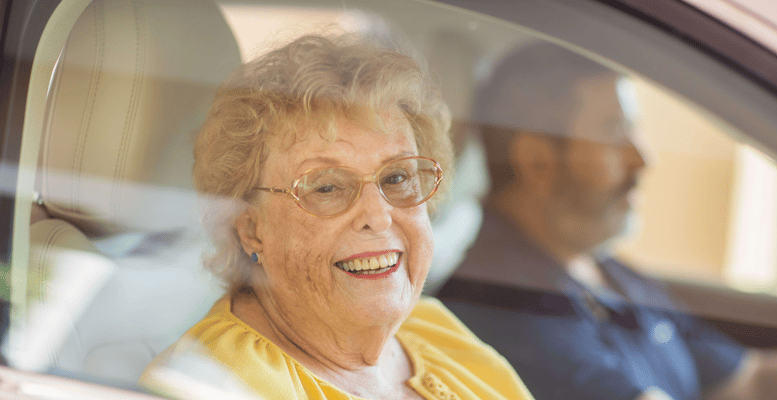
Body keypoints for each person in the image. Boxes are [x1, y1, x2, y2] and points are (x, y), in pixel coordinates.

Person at [139, 34, 534, 400]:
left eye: (397, 177)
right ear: (251, 229)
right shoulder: (212, 385)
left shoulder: (433, 329)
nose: (378, 217)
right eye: (326, 187)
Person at [437, 42, 777, 400]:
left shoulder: (605, 271)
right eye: (614, 133)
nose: (642, 159)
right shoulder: (506, 308)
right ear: (537, 160)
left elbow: (749, 379)